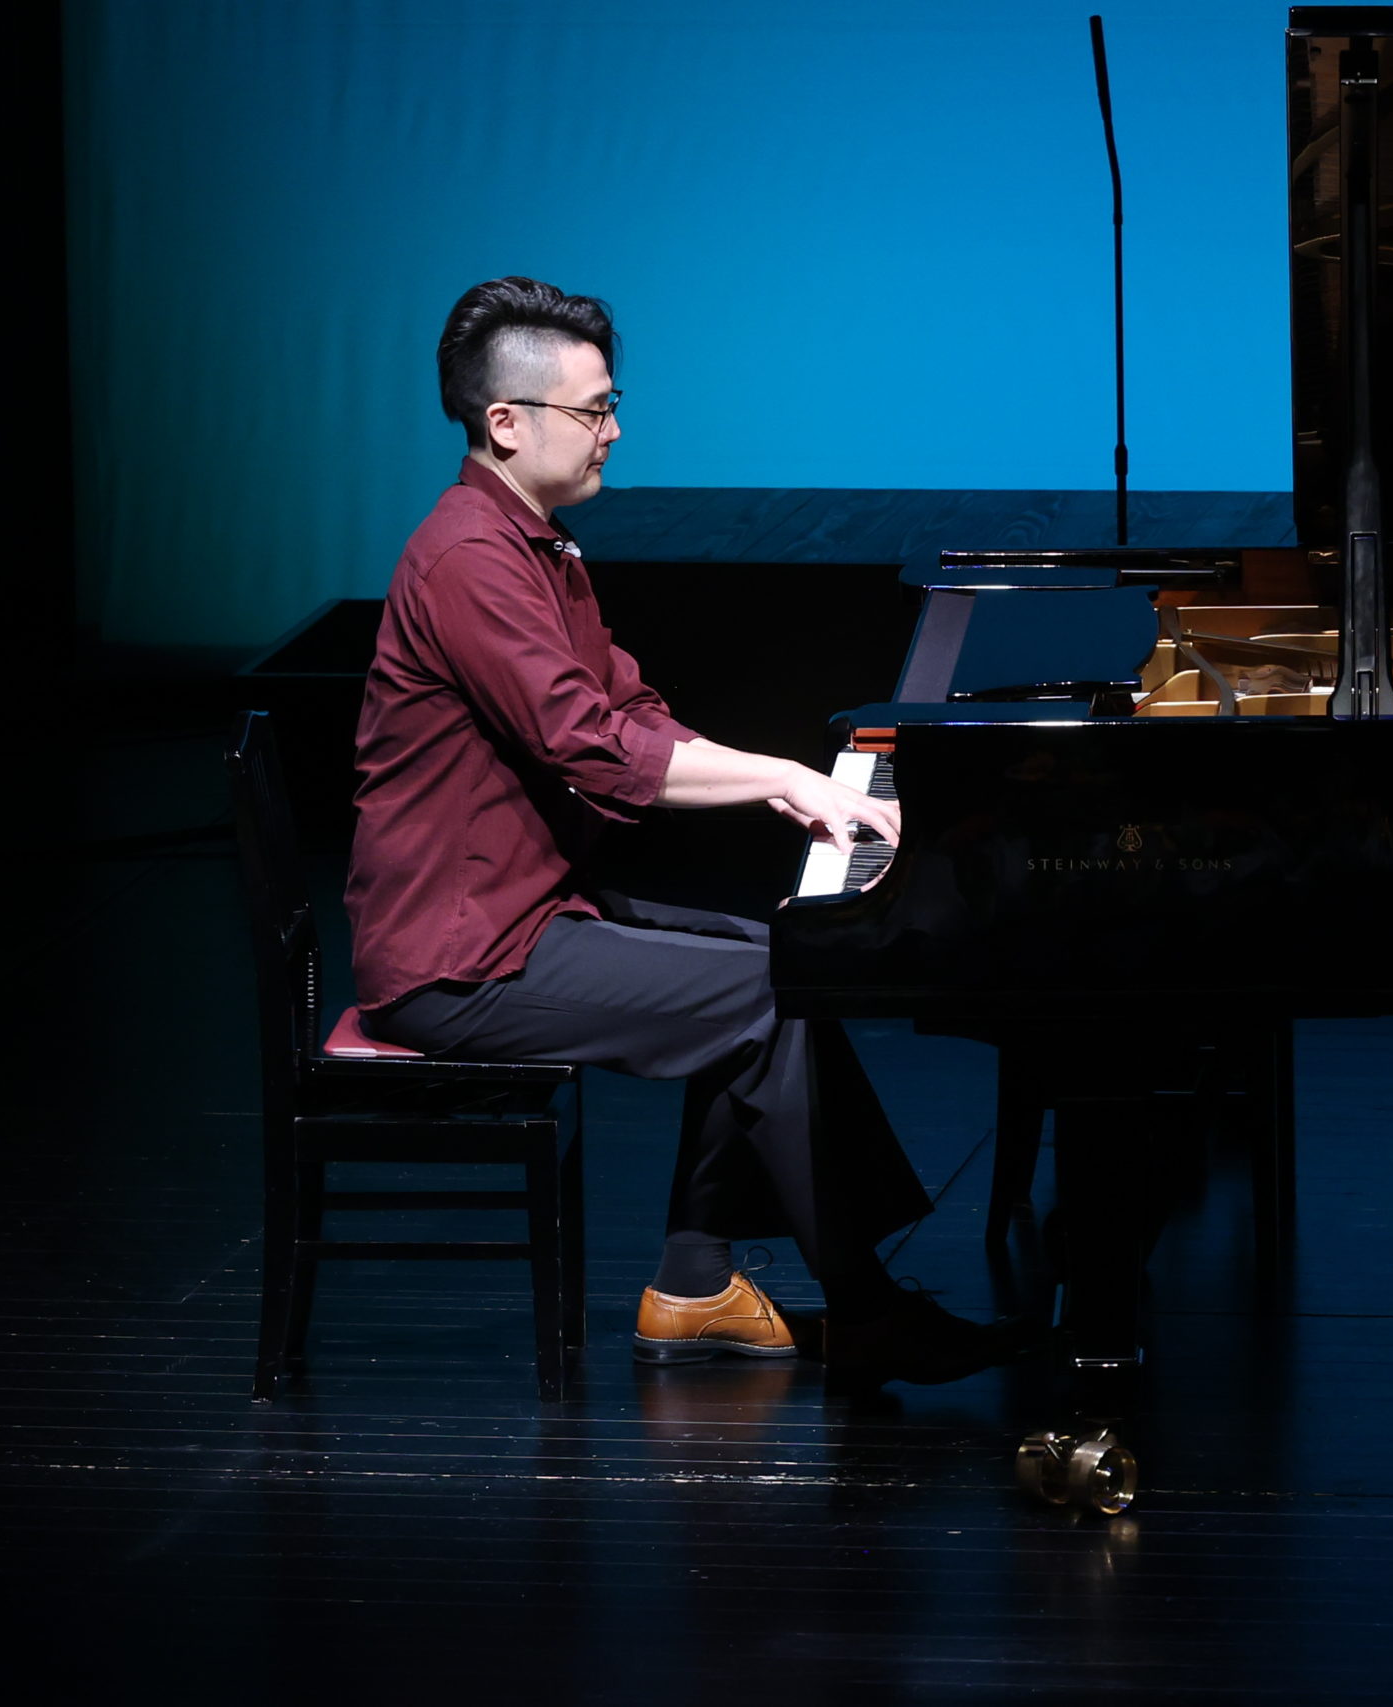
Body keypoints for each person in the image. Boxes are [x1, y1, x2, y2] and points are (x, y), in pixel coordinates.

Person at [345, 276, 1001, 1384]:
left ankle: (697, 1282)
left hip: (524, 912)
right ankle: (865, 1309)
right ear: (505, 422)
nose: (613, 431)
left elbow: (630, 710)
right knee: (766, 992)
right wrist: (785, 778)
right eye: (593, 410)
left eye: (612, 406)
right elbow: (589, 746)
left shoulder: (534, 546)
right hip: (461, 958)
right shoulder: (468, 560)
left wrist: (787, 784)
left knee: (779, 959)